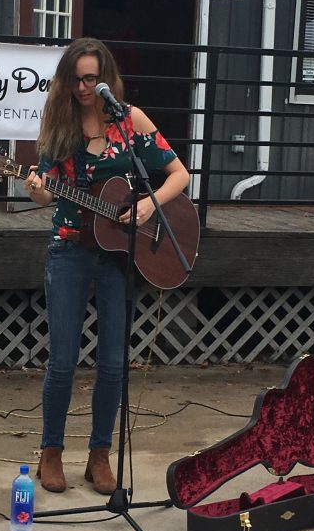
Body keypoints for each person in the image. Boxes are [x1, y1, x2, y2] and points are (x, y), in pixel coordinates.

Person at [24, 37, 190, 495]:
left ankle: (100, 455)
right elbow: (44, 193)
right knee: (62, 361)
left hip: (120, 255)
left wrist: (149, 205)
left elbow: (179, 174)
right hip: (69, 249)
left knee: (114, 363)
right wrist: (35, 188)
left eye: (91, 79)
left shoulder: (130, 121)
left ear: (106, 80)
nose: (82, 88)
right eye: (76, 79)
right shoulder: (59, 124)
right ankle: (51, 452)